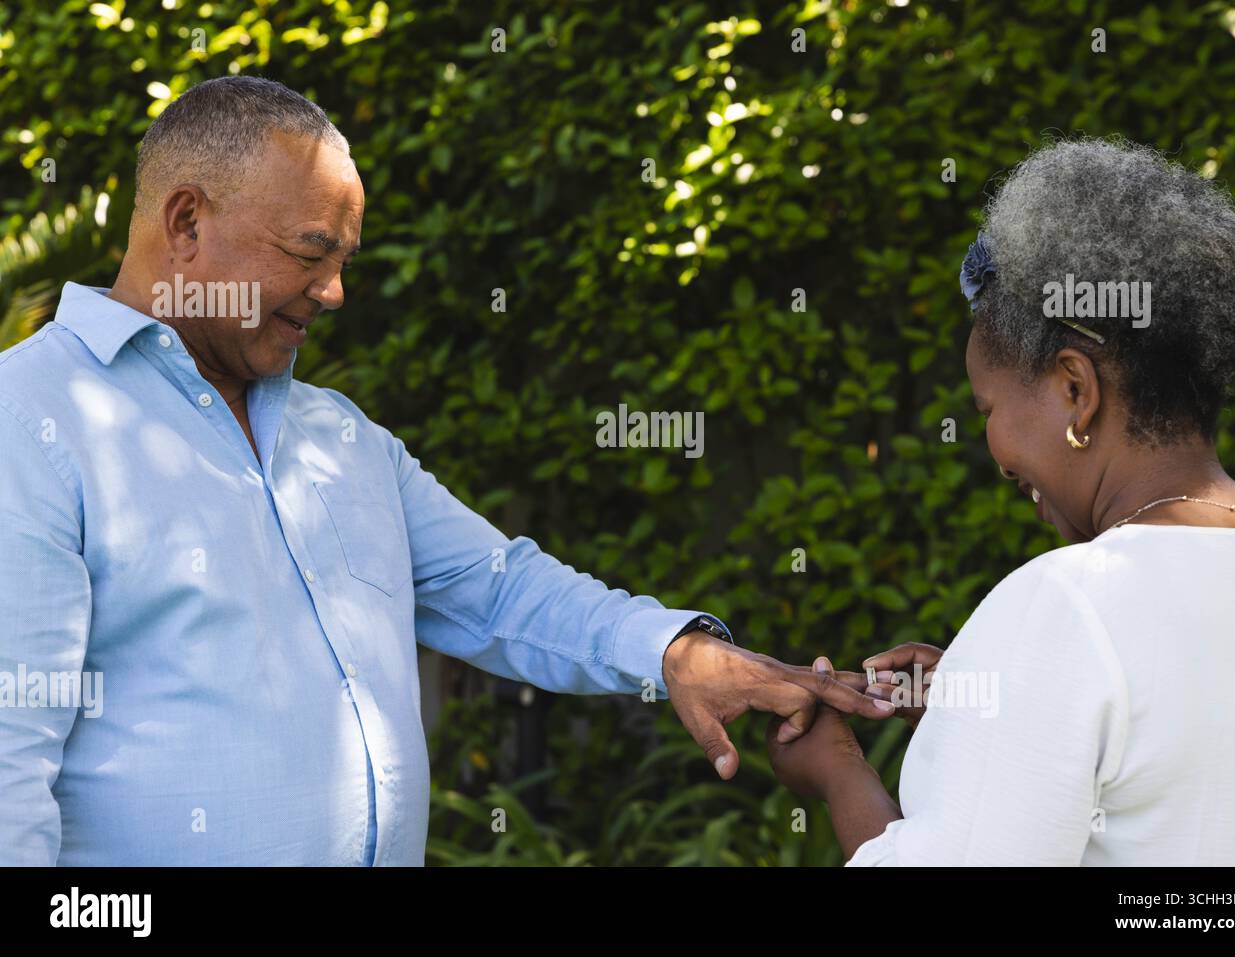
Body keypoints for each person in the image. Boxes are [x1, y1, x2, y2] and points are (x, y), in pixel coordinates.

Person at [0, 76, 884, 866]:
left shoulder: (338, 436)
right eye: (311, 254)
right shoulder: (31, 420)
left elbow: (499, 591)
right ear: (186, 222)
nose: (335, 291)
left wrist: (676, 651)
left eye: (344, 260)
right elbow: (10, 765)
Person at [768, 138, 1235, 865]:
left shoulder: (1068, 603)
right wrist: (995, 698)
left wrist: (835, 770)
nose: (994, 455)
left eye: (986, 407)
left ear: (1075, 389)